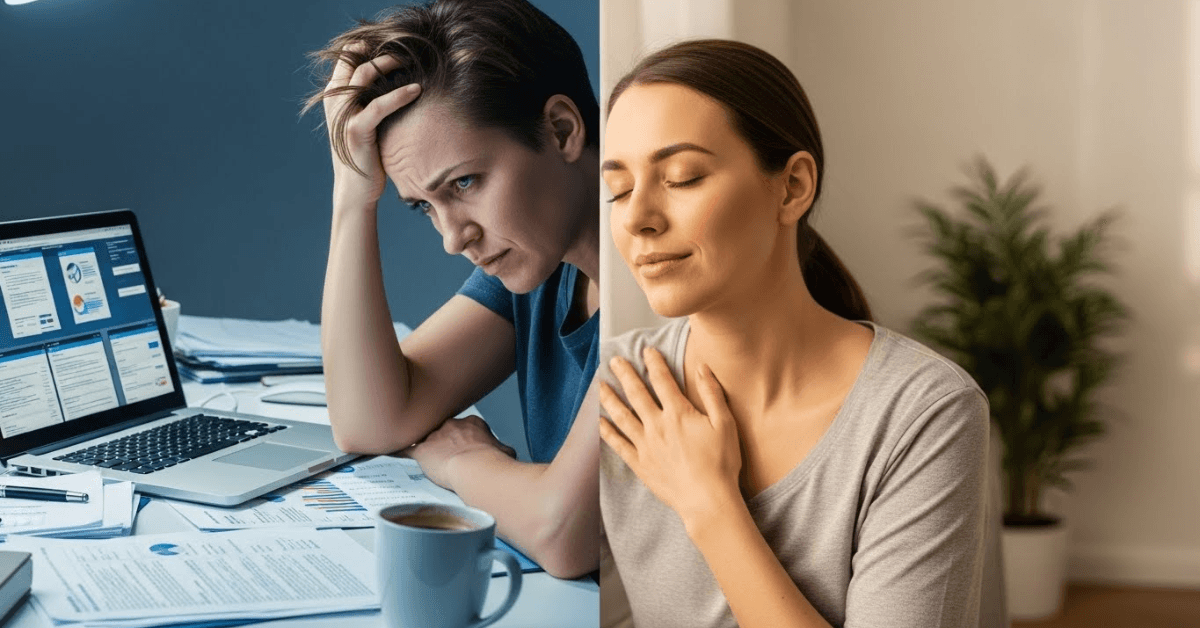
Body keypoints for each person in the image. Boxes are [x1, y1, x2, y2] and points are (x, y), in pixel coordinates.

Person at [598, 39, 1008, 626]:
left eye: (682, 178)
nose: (637, 217)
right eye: (616, 189)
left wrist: (709, 503)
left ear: (792, 187)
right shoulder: (615, 391)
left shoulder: (924, 413)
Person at [303, 0, 600, 579]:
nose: (452, 238)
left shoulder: (657, 280)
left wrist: (465, 459)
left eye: (464, 182)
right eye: (422, 207)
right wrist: (352, 197)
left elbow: (564, 533)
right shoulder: (543, 266)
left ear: (561, 130)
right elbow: (373, 420)